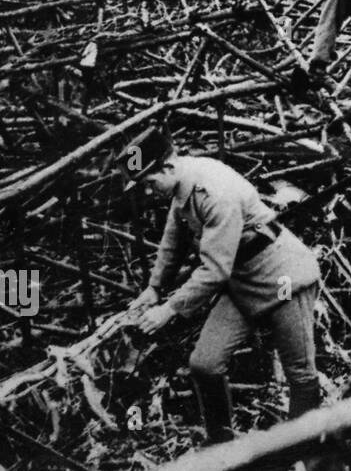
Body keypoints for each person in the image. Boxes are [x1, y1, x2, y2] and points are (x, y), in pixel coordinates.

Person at [120, 130, 322, 446]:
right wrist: (154, 288)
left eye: (149, 182)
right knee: (204, 364)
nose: (149, 191)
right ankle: (222, 448)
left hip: (283, 278)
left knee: (300, 373)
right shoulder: (182, 188)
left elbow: (215, 270)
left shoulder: (214, 191)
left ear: (168, 168)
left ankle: (302, 455)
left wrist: (169, 309)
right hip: (241, 282)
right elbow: (172, 242)